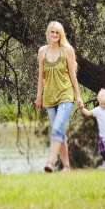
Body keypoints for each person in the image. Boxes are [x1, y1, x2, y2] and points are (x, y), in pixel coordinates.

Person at [36, 21, 84, 172]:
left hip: (65, 94)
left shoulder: (67, 51)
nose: (55, 34)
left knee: (57, 128)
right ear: (48, 33)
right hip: (49, 96)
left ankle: (50, 163)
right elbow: (41, 76)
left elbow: (72, 74)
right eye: (52, 32)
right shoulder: (42, 51)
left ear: (61, 34)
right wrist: (39, 96)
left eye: (57, 32)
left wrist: (78, 96)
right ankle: (67, 167)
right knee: (60, 131)